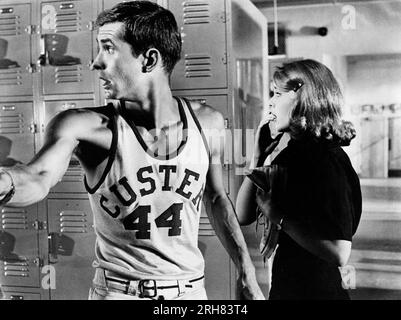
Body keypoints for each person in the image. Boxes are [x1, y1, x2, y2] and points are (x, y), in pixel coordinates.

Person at [0, 1, 264, 300]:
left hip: (190, 292)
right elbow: (38, 176)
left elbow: (216, 197)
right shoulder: (83, 126)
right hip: (120, 293)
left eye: (108, 48)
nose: (95, 62)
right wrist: (7, 182)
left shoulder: (208, 123)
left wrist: (246, 271)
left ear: (149, 59)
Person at [236, 59, 362, 300]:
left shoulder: (326, 158)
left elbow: (339, 251)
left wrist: (279, 217)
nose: (271, 102)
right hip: (290, 283)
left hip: (317, 290)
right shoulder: (293, 153)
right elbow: (243, 215)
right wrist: (258, 156)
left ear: (302, 99)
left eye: (277, 94)